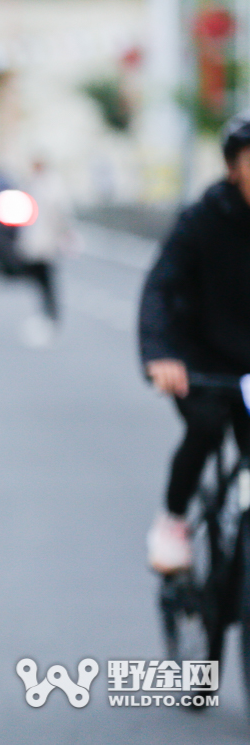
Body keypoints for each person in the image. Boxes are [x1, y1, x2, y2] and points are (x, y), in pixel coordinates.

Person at [139, 110, 250, 574]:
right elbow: (161, 288)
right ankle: (173, 520)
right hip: (201, 358)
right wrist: (162, 355)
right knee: (204, 427)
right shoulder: (202, 220)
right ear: (232, 168)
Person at [4, 159, 76, 348]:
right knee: (39, 280)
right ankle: (47, 314)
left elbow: (59, 214)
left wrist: (63, 236)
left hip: (45, 242)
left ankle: (51, 315)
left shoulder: (51, 186)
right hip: (34, 241)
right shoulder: (32, 184)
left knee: (46, 280)